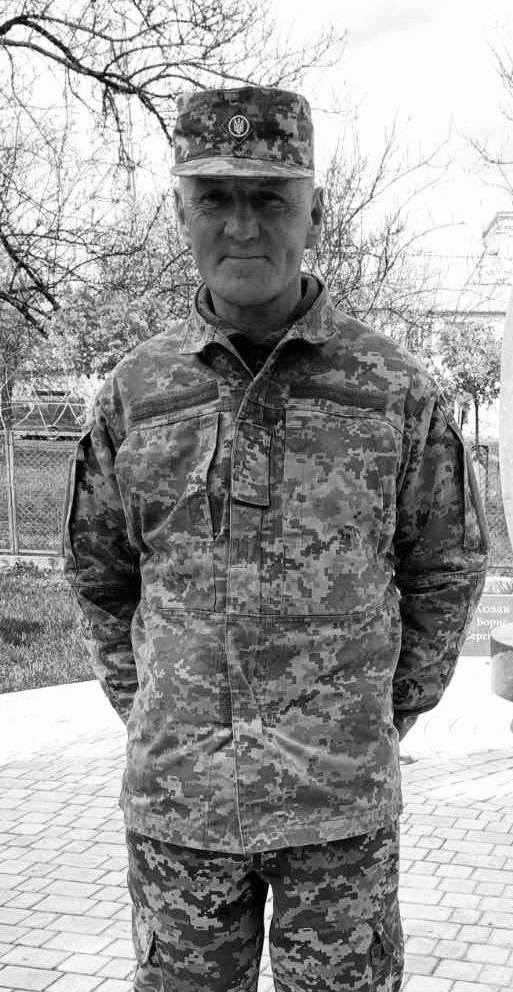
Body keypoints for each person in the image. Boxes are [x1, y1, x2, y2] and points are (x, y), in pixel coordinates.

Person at [63, 86, 489, 992]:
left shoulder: (392, 389)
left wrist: (375, 713)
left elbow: (446, 565)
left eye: (269, 197)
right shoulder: (136, 394)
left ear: (314, 211)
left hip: (338, 816)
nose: (242, 225)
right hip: (180, 816)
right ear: (180, 211)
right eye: (215, 197)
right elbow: (99, 573)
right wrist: (161, 708)